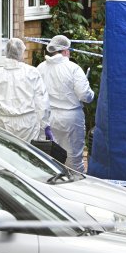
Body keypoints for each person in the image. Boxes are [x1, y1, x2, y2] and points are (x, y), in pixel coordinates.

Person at [37, 35, 94, 173]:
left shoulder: (40, 68)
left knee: (52, 159)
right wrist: (90, 91)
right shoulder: (73, 68)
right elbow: (85, 96)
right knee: (74, 160)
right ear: (66, 51)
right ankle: (77, 189)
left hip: (48, 117)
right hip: (71, 119)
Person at [0, 38, 52, 142]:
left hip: (5, 123)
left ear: (6, 52)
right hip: (28, 124)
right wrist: (44, 128)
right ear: (21, 52)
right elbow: (42, 102)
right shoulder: (32, 72)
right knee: (28, 155)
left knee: (7, 154)